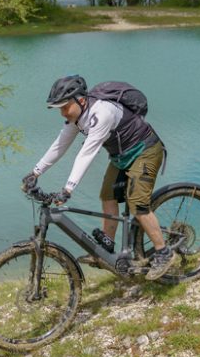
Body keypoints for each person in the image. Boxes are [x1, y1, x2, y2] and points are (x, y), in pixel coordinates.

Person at [21, 75, 176, 280]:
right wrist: (35, 172)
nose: (62, 113)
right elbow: (60, 145)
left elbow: (87, 153)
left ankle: (164, 252)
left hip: (145, 150)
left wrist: (68, 189)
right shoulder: (77, 117)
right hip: (121, 157)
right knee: (107, 195)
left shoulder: (101, 113)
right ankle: (108, 247)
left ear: (81, 100)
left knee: (138, 202)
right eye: (60, 108)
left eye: (65, 107)